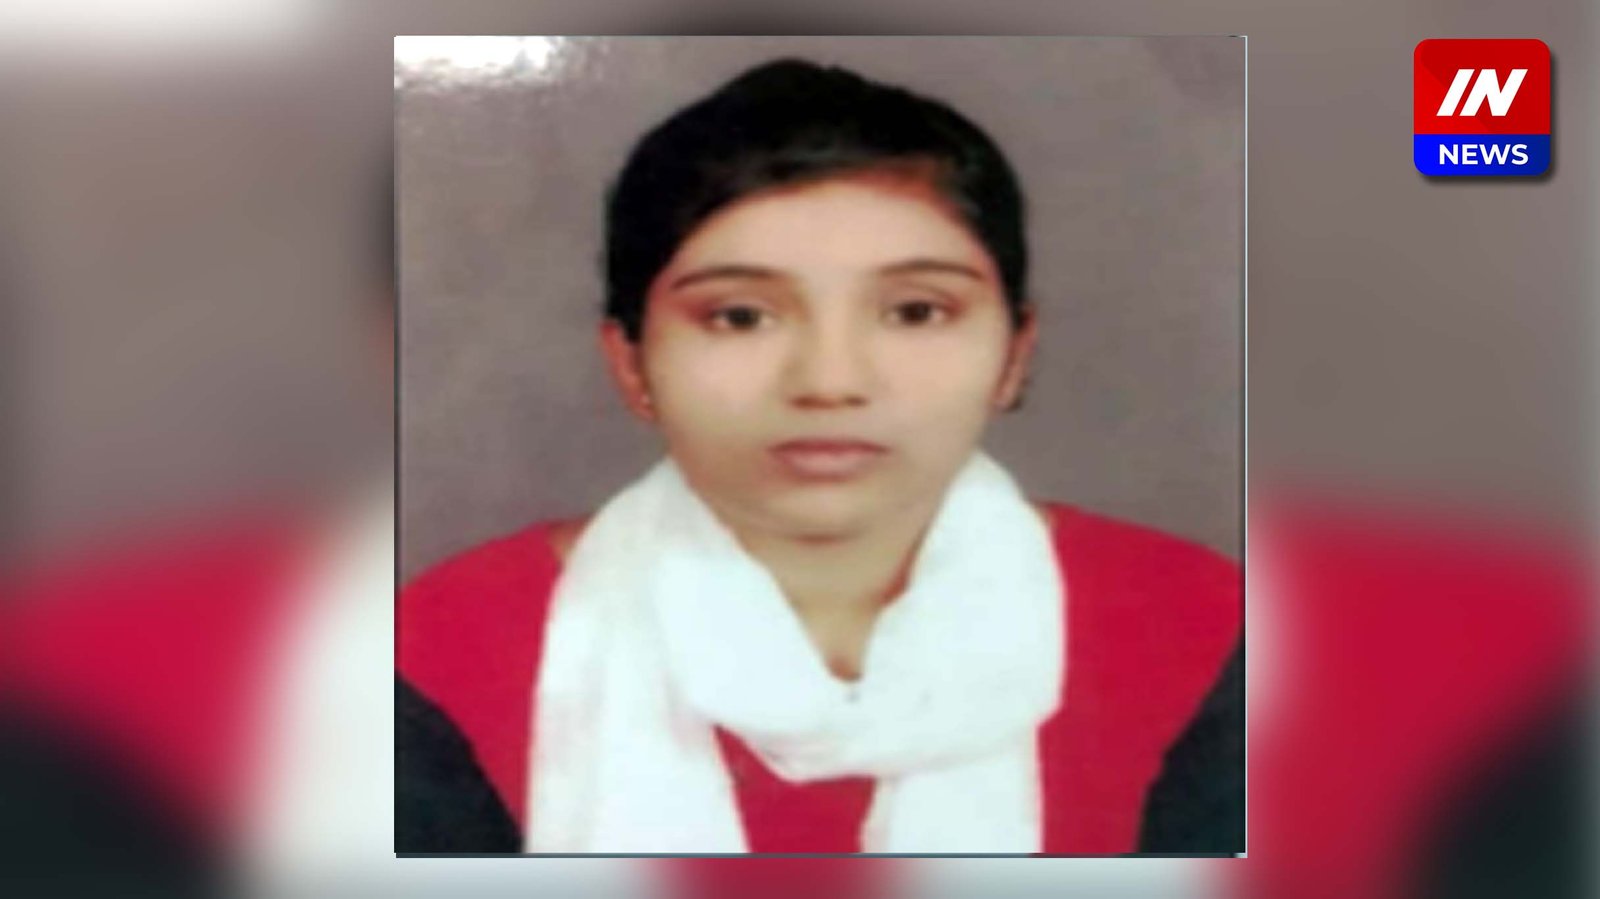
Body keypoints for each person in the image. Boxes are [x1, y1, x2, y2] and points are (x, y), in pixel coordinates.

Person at [397, 57, 1242, 855]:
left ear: (1014, 354)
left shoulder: (1196, 626)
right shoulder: (445, 644)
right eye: (739, 316)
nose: (831, 381)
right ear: (631, 363)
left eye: (915, 311)